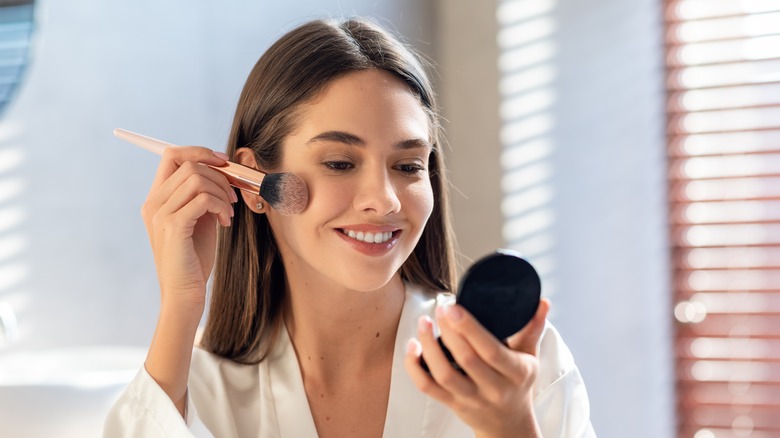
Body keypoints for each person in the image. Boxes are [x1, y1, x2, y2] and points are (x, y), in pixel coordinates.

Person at [104, 17, 595, 438]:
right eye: (340, 162)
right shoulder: (197, 393)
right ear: (255, 183)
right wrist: (181, 302)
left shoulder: (514, 364)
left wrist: (511, 427)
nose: (382, 200)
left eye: (407, 166)